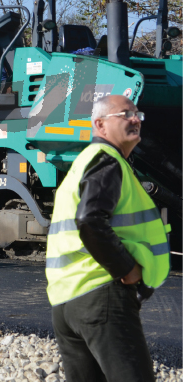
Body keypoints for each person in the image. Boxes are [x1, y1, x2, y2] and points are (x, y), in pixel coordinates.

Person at [46, 95, 170, 382]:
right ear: (99, 124)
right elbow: (90, 220)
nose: (135, 119)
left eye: (137, 114)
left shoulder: (85, 163)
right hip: (101, 294)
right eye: (125, 114)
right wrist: (126, 269)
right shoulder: (106, 161)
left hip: (67, 301)